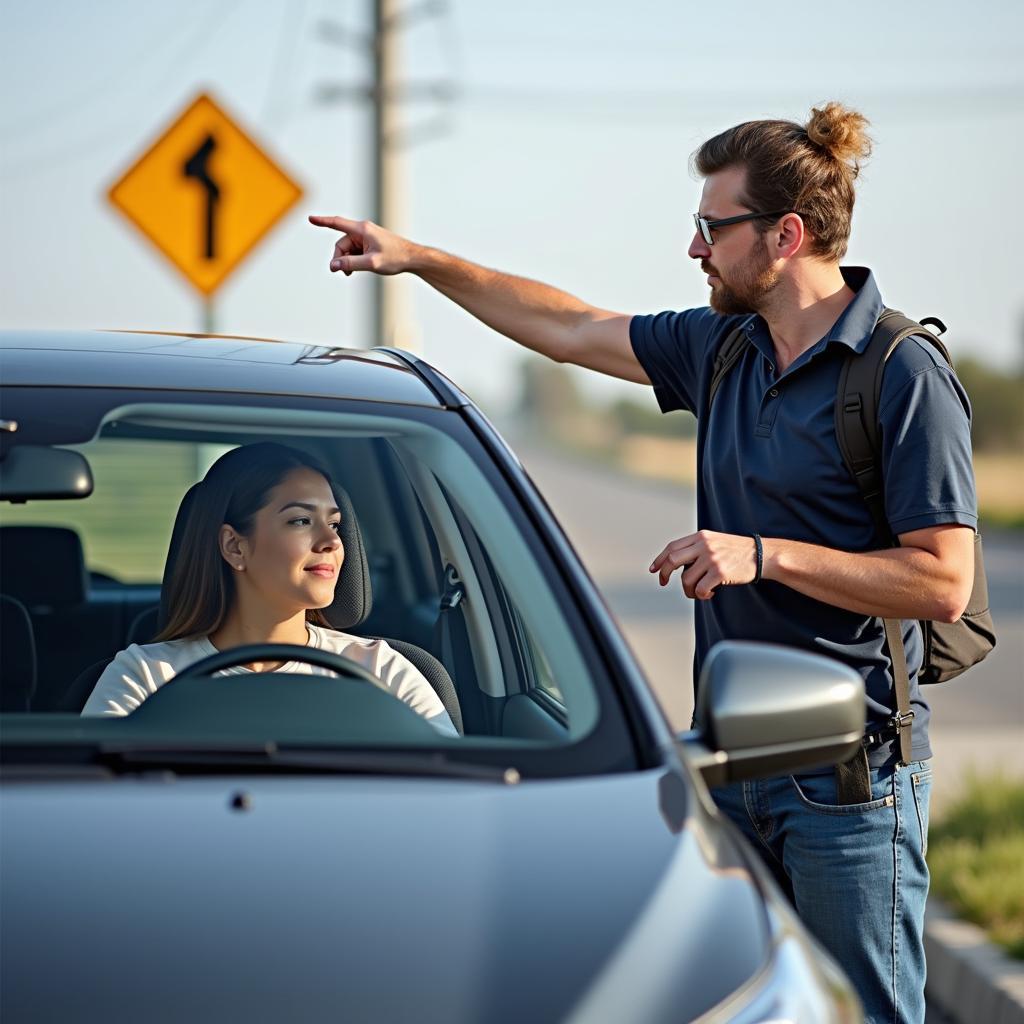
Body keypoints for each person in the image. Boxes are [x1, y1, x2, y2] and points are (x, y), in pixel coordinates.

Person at [310, 102, 977, 1023]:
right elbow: (576, 328)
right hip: (734, 769)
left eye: (713, 227)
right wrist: (421, 259)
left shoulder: (901, 374)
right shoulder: (723, 347)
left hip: (848, 783)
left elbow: (942, 581)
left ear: (784, 235)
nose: (694, 248)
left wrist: (764, 556)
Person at [82, 443, 458, 738]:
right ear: (234, 546)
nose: (331, 541)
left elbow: (449, 800)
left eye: (335, 523)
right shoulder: (146, 677)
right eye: (300, 520)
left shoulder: (383, 671)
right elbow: (95, 812)